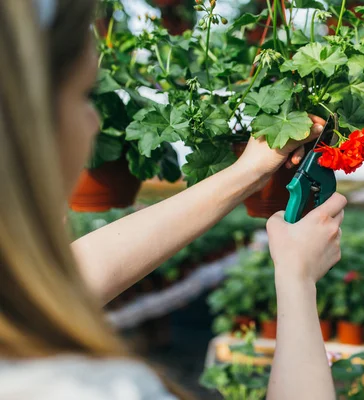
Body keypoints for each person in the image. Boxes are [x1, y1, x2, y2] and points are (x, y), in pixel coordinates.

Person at [0, 0, 346, 399]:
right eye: (83, 94)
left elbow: (74, 277)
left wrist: (247, 173)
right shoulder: (86, 388)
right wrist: (297, 279)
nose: (94, 121)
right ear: (28, 122)